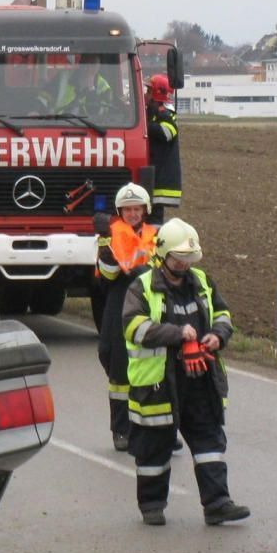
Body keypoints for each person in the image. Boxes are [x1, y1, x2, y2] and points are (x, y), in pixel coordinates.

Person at [122, 218, 250, 527]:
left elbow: (223, 314)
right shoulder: (142, 287)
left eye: (188, 258)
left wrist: (218, 335)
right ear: (163, 255)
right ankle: (152, 505)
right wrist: (177, 333)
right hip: (158, 384)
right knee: (154, 447)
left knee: (209, 442)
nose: (184, 263)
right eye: (178, 257)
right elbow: (133, 326)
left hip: (200, 379)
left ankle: (218, 504)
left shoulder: (203, 282)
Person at [97, 183, 159, 452]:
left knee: (155, 371)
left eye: (137, 209)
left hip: (149, 304)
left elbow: (161, 268)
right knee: (119, 372)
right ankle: (121, 430)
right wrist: (102, 243)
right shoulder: (111, 234)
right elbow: (109, 274)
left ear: (145, 210)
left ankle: (158, 428)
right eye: (128, 209)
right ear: (119, 211)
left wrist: (138, 271)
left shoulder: (156, 234)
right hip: (119, 302)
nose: (133, 213)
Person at [146, 74, 182, 223]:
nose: (145, 94)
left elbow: (167, 132)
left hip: (160, 181)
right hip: (154, 177)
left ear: (157, 94)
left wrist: (144, 127)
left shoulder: (166, 114)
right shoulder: (153, 111)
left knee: (154, 219)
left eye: (148, 91)